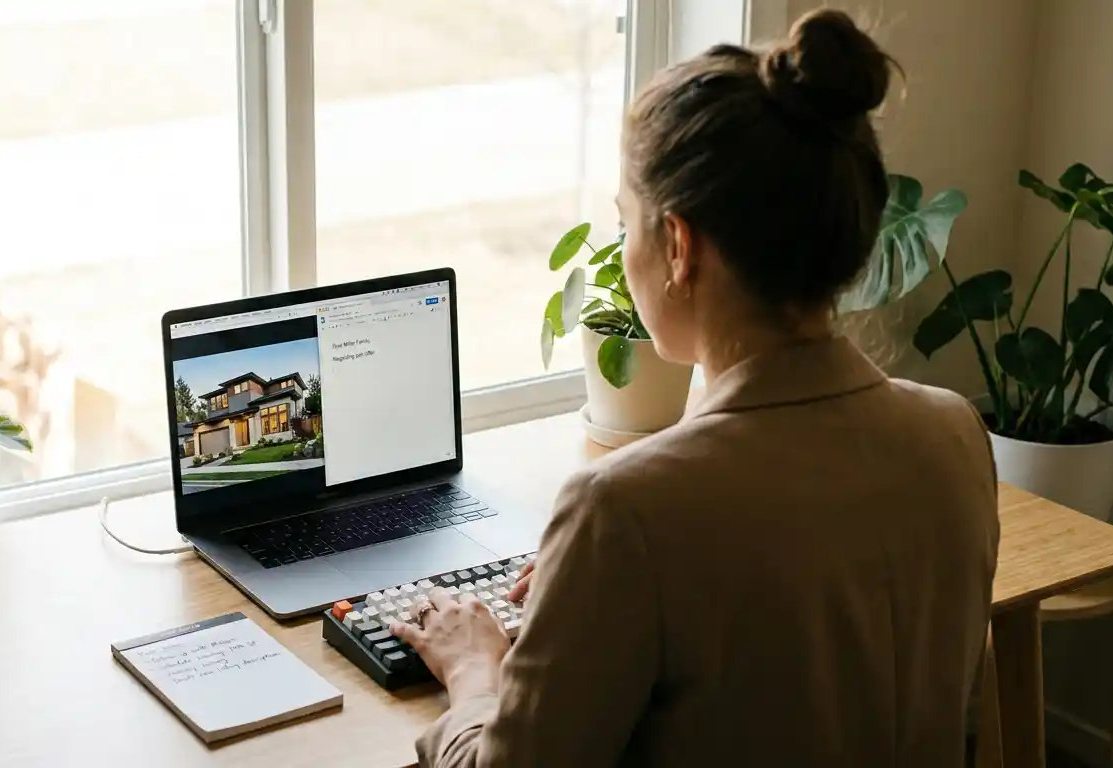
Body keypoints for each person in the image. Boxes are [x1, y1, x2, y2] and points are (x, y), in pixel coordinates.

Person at [388, 9, 999, 767]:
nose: (625, 248)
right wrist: (601, 584)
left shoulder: (627, 509)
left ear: (677, 246)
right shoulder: (952, 434)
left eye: (627, 226)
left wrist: (475, 671)